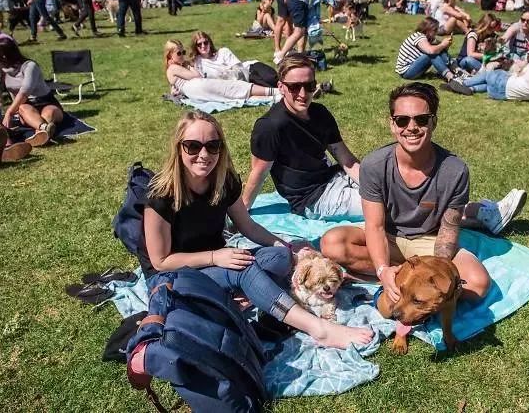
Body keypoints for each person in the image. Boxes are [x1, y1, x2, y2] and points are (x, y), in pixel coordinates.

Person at [139, 110, 374, 349]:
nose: (204, 155)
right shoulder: (160, 194)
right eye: (192, 146)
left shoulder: (223, 181)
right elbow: (160, 261)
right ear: (178, 148)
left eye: (212, 146)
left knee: (281, 257)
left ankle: (249, 292)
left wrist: (289, 248)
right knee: (244, 268)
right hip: (172, 275)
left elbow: (248, 226)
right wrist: (215, 256)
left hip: (217, 263)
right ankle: (318, 329)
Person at [243, 54, 526, 233]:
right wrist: (240, 215)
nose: (303, 93)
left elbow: (347, 161)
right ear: (281, 87)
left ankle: (481, 214)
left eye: (309, 85)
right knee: (396, 207)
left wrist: (373, 181)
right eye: (295, 87)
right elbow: (258, 173)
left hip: (335, 177)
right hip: (314, 199)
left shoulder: (320, 113)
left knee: (399, 188)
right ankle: (482, 215)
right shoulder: (270, 126)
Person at [319, 83, 499, 301]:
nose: (411, 127)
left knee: (478, 284)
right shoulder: (374, 165)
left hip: (430, 241)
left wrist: (435, 272)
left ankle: (404, 278)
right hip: (388, 237)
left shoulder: (455, 170)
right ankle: (400, 277)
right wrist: (383, 270)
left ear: (433, 122)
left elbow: (448, 231)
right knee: (332, 243)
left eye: (421, 119)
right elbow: (375, 226)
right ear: (392, 124)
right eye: (402, 120)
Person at [0, 38, 63, 147]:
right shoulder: (1, 71)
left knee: (49, 113)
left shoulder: (30, 66)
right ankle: (45, 130)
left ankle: (40, 134)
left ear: (3, 55)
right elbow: (1, 95)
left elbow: (25, 92)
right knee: (23, 108)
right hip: (25, 106)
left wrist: (9, 112)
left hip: (46, 101)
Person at [444, 38, 529, 101]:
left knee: (489, 74)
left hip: (504, 85)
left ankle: (463, 83)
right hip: (501, 95)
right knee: (490, 83)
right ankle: (471, 89)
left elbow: (518, 74)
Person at [164, 40, 280, 102]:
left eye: (183, 52)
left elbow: (174, 85)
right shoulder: (174, 67)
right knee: (234, 87)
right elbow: (197, 75)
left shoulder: (173, 68)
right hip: (198, 86)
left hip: (196, 92)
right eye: (179, 53)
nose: (182, 56)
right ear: (169, 55)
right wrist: (188, 66)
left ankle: (273, 95)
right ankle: (275, 92)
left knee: (232, 95)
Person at [395, 17, 457, 82]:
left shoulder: (429, 38)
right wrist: (443, 45)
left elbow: (440, 50)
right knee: (431, 54)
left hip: (414, 68)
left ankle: (456, 69)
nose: (436, 32)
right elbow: (431, 51)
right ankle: (451, 77)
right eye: (435, 30)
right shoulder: (419, 37)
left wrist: (446, 45)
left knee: (437, 49)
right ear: (427, 29)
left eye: (437, 29)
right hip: (406, 72)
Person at [272, 0, 309, 64]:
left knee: (300, 29)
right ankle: (280, 54)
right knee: (299, 31)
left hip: (299, 0)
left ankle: (299, 54)